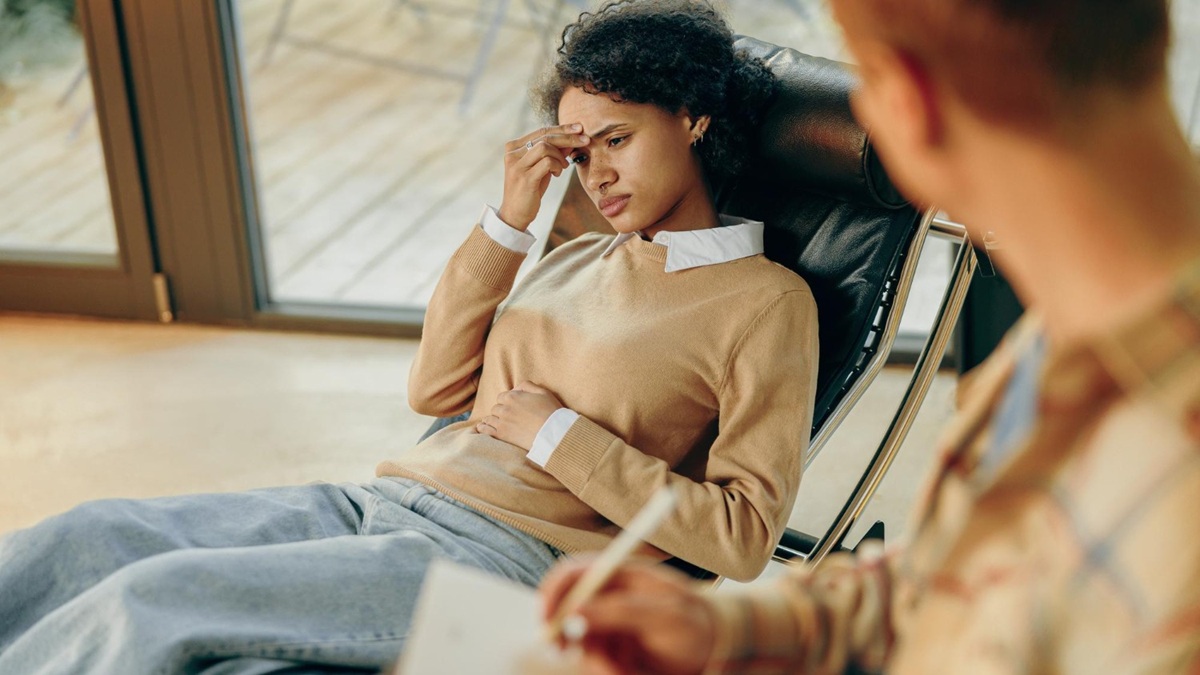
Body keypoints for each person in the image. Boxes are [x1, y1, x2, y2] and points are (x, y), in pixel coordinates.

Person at [0, 1, 819, 672]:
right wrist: (509, 220)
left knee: (149, 599)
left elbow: (744, 537)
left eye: (617, 140)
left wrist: (558, 433)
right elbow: (433, 390)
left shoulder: (764, 302)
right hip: (383, 500)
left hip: (500, 565)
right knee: (89, 537)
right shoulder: (583, 251)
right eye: (580, 150)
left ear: (694, 120)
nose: (597, 174)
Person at [539, 0, 1200, 673]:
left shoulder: (1163, 456)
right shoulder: (1069, 341)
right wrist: (724, 628)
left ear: (906, 105)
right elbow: (951, 581)